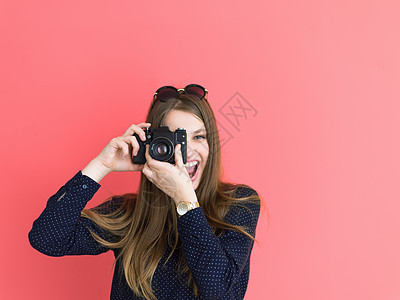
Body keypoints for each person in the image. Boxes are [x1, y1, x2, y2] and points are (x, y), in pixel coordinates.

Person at [29, 84, 261, 300]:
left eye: (199, 137)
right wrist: (100, 166)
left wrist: (185, 200)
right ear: (154, 145)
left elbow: (219, 290)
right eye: (175, 140)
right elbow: (47, 239)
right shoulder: (130, 214)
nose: (187, 151)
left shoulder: (240, 204)